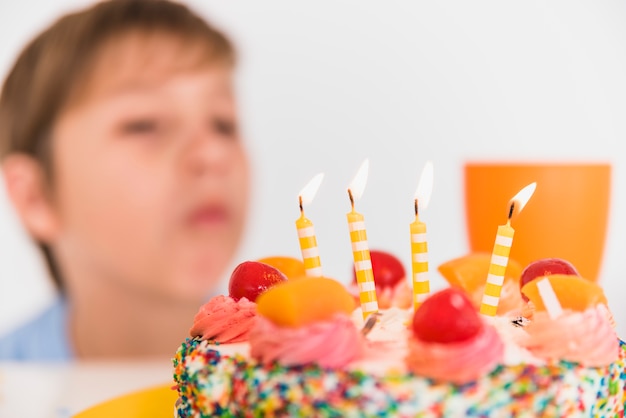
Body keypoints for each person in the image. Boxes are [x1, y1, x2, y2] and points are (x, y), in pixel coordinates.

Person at [0, 0, 249, 361]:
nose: (212, 154)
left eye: (224, 124)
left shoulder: (304, 376)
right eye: (144, 124)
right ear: (35, 197)